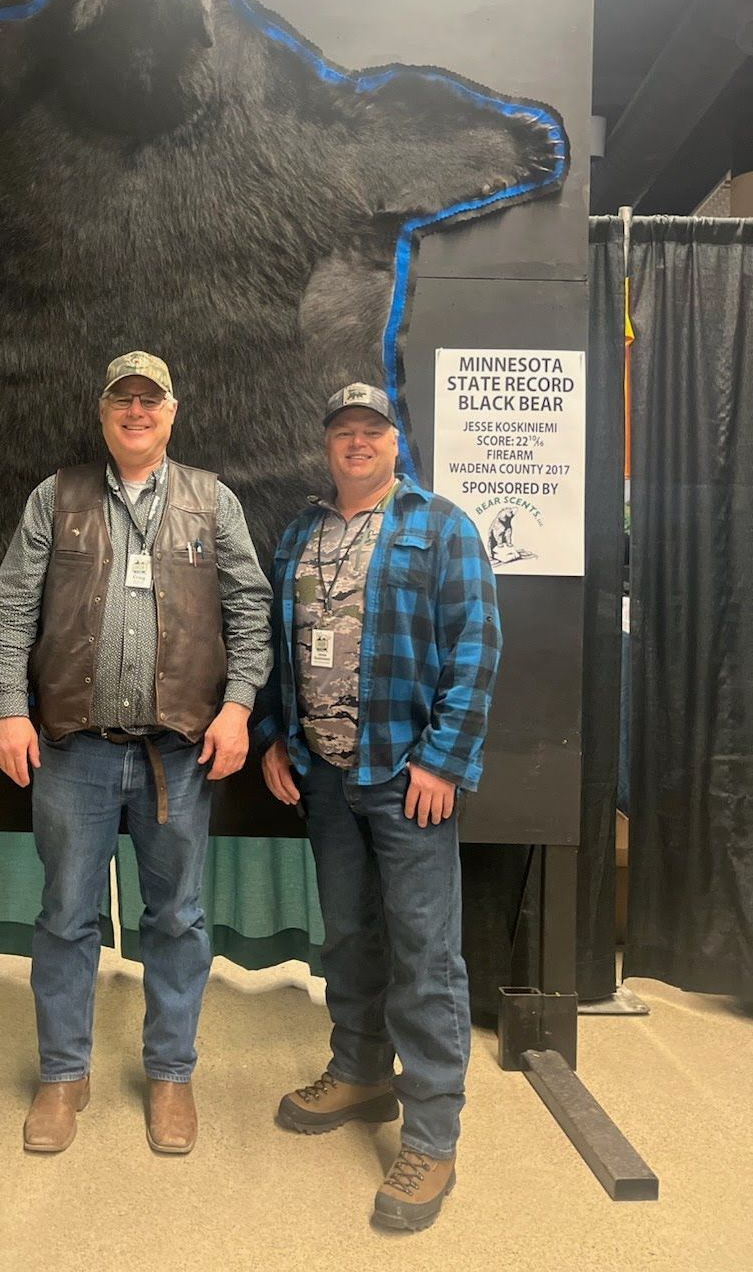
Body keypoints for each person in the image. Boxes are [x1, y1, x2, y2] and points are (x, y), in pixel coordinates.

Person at [0, 350, 271, 1157]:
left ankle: (172, 1074)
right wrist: (10, 708)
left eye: (151, 400)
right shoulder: (57, 496)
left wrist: (240, 707)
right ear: (103, 413)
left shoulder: (213, 501)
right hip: (72, 749)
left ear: (172, 413)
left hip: (179, 753)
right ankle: (62, 1072)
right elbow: (11, 611)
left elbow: (251, 609)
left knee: (176, 918)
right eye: (123, 400)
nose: (136, 411)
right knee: (66, 917)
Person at [256, 382, 501, 1232]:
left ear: (396, 442)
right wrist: (278, 735)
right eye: (344, 431)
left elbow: (478, 647)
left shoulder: (441, 525)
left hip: (407, 780)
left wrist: (443, 761)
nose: (357, 442)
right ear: (328, 444)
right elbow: (285, 645)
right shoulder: (301, 531)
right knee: (350, 936)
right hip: (325, 777)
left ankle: (432, 1135)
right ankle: (361, 1072)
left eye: (373, 429)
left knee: (425, 952)